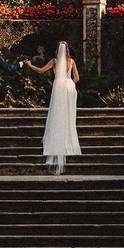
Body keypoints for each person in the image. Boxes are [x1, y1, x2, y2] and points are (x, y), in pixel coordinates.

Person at [27, 41, 82, 175]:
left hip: (58, 87)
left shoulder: (55, 61)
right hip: (69, 87)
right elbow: (77, 78)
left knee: (57, 114)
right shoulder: (72, 61)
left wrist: (29, 65)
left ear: (57, 50)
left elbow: (40, 71)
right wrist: (69, 83)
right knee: (69, 115)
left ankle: (56, 140)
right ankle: (68, 141)